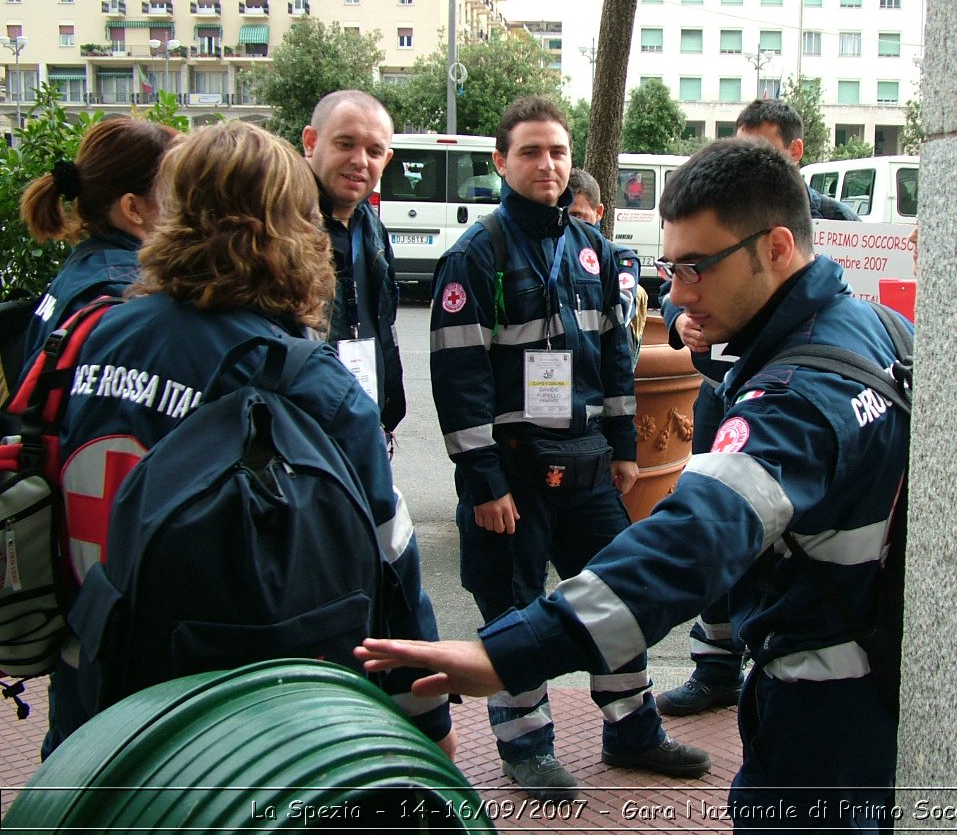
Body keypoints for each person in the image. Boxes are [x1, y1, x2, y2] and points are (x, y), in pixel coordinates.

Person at [359, 137, 911, 830]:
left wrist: (506, 654)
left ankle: (627, 724)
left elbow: (690, 542)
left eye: (695, 268)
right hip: (877, 694)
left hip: (818, 712)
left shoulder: (796, 398)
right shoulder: (879, 327)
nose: (676, 294)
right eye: (669, 268)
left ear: (775, 248)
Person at [46, 122, 455, 761]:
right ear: (295, 227)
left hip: (93, 694)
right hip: (231, 728)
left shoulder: (100, 335)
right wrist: (427, 721)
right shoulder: (305, 379)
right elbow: (392, 566)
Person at [427, 96, 709, 801]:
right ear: (500, 161)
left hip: (585, 460)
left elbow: (616, 361)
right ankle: (527, 748)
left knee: (618, 595)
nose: (547, 163)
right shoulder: (475, 255)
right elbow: (458, 380)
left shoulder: (597, 252)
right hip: (511, 471)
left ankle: (632, 730)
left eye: (557, 151)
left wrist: (622, 449)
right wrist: (484, 482)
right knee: (513, 608)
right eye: (530, 151)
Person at [656, 96, 861, 717]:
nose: (744, 162)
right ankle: (716, 659)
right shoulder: (710, 229)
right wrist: (681, 327)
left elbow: (685, 546)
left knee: (750, 527)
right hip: (723, 398)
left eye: (760, 150)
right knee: (722, 516)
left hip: (785, 403)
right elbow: (675, 304)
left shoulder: (832, 226)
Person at [20, 117, 180, 367]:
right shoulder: (126, 290)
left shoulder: (85, 266)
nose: (185, 204)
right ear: (133, 208)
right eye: (175, 192)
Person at [301, 90, 406, 435]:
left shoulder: (372, 226)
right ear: (311, 142)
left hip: (365, 428)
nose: (360, 161)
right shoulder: (280, 226)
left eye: (374, 151)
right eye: (345, 144)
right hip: (305, 436)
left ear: (386, 160)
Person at [567, 167, 648, 364]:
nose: (570, 225)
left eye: (578, 216)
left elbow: (620, 313)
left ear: (599, 212)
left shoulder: (620, 258)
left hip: (606, 363)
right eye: (563, 215)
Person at [735, 97, 859, 221]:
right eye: (740, 151)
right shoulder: (725, 215)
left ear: (795, 150)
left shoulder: (839, 218)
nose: (748, 163)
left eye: (761, 152)